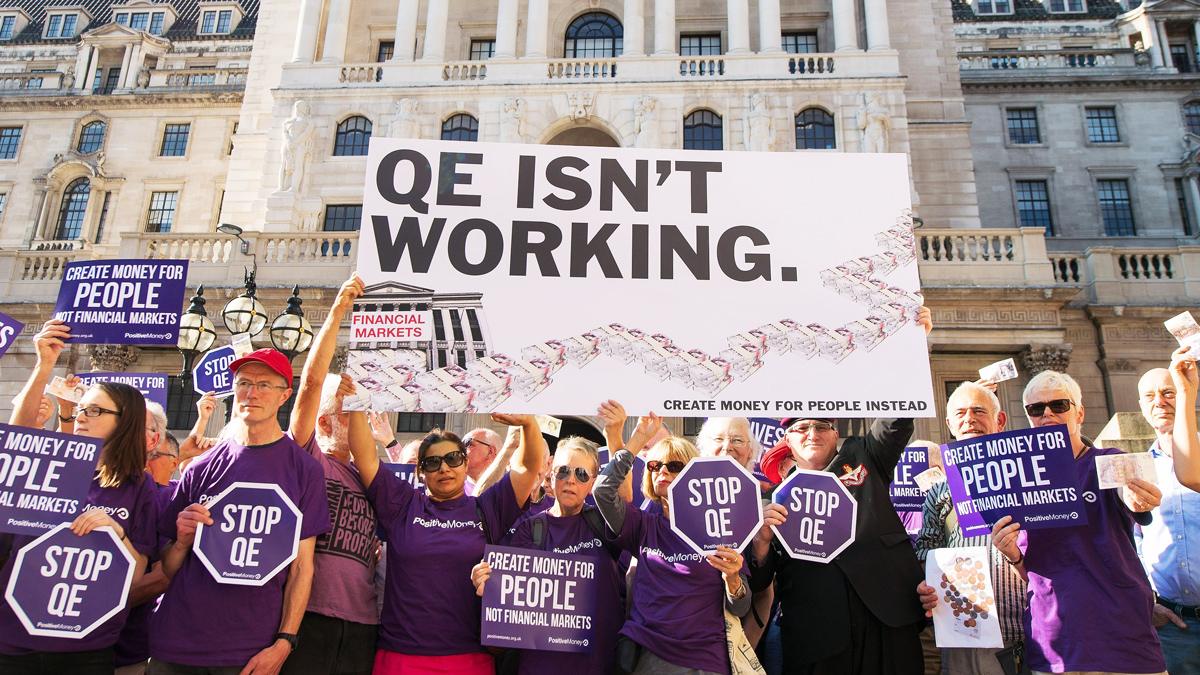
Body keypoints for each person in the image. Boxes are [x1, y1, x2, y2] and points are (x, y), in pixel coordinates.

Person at [749, 306, 932, 675]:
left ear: (836, 432)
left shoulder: (865, 454)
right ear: (787, 439)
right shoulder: (775, 503)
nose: (812, 434)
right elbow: (759, 580)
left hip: (887, 619)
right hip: (818, 637)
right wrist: (763, 542)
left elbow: (897, 415)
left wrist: (913, 347)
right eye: (801, 428)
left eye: (821, 426)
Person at [149, 348, 330, 674]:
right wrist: (180, 542)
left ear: (284, 395)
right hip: (176, 644)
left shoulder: (304, 470)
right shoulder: (199, 467)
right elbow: (169, 565)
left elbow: (303, 567)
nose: (251, 392)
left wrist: (285, 641)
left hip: (249, 651)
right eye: (244, 382)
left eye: (264, 385)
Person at [0, 320, 158, 674]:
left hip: (86, 649)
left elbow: (135, 575)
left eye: (95, 410)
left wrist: (116, 533)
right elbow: (17, 439)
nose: (82, 416)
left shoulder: (140, 489)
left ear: (125, 421)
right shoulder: (54, 462)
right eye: (82, 407)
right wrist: (44, 366)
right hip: (13, 641)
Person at [989, 370, 1166, 675]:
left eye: (1059, 405)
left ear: (1080, 412)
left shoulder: (1109, 459)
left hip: (1121, 636)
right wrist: (1012, 555)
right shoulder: (1018, 481)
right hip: (1054, 641)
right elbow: (1028, 571)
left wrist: (1138, 499)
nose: (1046, 414)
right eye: (1036, 408)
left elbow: (1133, 497)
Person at [347, 413, 546, 674]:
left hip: (467, 658)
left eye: (453, 458)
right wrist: (356, 403)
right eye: (432, 462)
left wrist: (529, 423)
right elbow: (365, 457)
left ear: (464, 464)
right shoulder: (403, 505)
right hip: (401, 656)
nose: (444, 468)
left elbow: (527, 468)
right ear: (420, 471)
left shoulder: (486, 510)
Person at [594, 414, 752, 674]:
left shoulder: (720, 528)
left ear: (694, 473)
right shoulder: (643, 527)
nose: (663, 471)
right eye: (655, 466)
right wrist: (637, 440)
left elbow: (741, 607)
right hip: (649, 657)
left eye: (675, 466)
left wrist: (733, 578)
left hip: (704, 660)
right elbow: (603, 491)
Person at [280, 274, 381, 675]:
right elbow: (310, 385)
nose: (358, 417)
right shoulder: (307, 458)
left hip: (362, 623)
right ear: (322, 423)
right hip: (309, 617)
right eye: (346, 408)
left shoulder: (370, 476)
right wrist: (339, 311)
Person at [470, 436, 625, 674]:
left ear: (593, 481)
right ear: (551, 475)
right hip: (539, 666)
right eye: (563, 471)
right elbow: (502, 628)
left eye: (581, 474)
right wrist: (489, 587)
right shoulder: (529, 529)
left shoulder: (607, 525)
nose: (571, 480)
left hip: (598, 665)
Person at [914, 381, 1027, 675]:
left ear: (999, 420)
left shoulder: (1027, 476)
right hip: (967, 632)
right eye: (961, 413)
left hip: (1031, 628)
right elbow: (925, 549)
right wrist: (929, 584)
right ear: (950, 424)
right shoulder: (939, 491)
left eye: (979, 411)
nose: (970, 420)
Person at [1135, 353, 1200, 673]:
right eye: (1150, 396)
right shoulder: (1136, 471)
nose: (1159, 402)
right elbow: (1132, 547)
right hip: (1174, 627)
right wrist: (1148, 604)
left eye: (1168, 392)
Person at [113, 401, 178, 675]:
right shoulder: (82, 481)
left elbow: (163, 575)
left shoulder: (164, 498)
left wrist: (99, 604)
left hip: (125, 648)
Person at [463, 426, 503, 494]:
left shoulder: (512, 490)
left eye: (467, 444)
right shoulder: (451, 493)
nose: (461, 450)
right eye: (460, 446)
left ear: (490, 451)